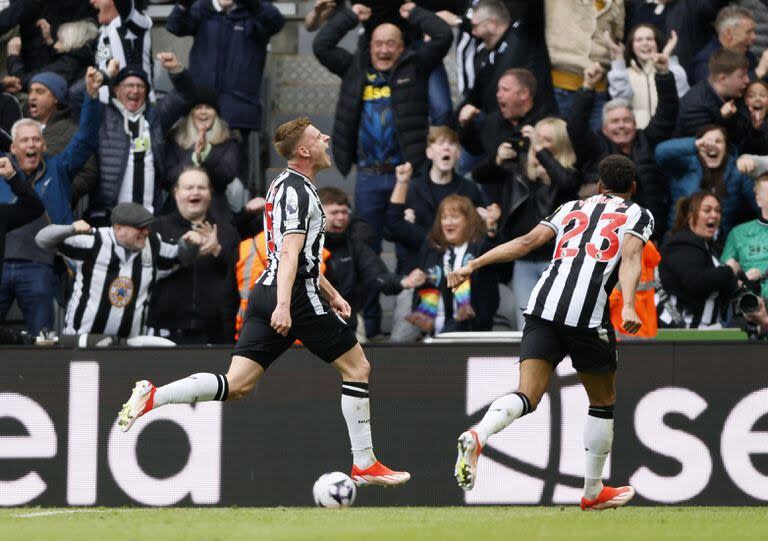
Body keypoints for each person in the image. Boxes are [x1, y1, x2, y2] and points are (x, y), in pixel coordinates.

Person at [116, 117, 411, 487]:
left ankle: (155, 397)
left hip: (266, 291)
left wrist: (331, 293)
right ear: (304, 150)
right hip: (292, 296)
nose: (327, 138)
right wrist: (287, 306)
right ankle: (364, 464)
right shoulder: (302, 192)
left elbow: (290, 255)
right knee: (357, 369)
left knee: (236, 384)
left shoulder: (281, 186)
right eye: (319, 137)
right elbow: (290, 255)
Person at [448, 154, 653, 510]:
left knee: (527, 394)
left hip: (542, 306)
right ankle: (593, 491)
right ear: (632, 189)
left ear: (600, 186)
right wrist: (631, 305)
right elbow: (632, 257)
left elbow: (526, 243)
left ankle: (478, 434)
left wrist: (474, 264)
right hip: (586, 318)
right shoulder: (638, 214)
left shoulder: (571, 206)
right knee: (602, 402)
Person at [312, 2, 452, 254]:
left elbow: (444, 36)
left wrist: (416, 13)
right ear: (370, 45)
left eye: (391, 44)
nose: (384, 50)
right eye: (378, 44)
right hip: (369, 177)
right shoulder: (354, 68)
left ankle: (408, 294)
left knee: (411, 250)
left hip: (408, 175)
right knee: (365, 248)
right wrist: (350, 16)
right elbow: (321, 46)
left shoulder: (416, 66)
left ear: (402, 47)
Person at [0, 67, 103, 336]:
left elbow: (86, 139)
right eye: (24, 140)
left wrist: (92, 97)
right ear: (13, 147)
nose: (31, 145)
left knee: (43, 339)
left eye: (36, 139)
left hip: (41, 266)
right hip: (2, 264)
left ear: (44, 146)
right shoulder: (2, 173)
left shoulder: (59, 169)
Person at [35, 202, 205, 337]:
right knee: (86, 382)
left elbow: (181, 257)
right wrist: (70, 229)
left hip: (128, 347)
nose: (145, 232)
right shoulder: (94, 240)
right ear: (118, 228)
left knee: (125, 382)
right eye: (139, 227)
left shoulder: (153, 245)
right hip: (83, 341)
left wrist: (192, 244)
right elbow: (42, 239)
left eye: (147, 226)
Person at [473, 117, 582, 328]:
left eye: (546, 140)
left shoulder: (569, 175)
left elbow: (565, 182)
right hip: (523, 260)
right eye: (536, 139)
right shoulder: (520, 170)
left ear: (560, 144)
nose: (537, 144)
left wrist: (540, 150)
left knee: (560, 322)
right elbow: (479, 175)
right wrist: (497, 158)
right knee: (527, 324)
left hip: (557, 261)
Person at [384, 126, 487, 341]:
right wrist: (401, 182)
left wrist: (490, 222)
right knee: (401, 340)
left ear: (458, 153)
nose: (446, 148)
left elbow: (479, 234)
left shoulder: (469, 189)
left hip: (462, 280)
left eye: (452, 144)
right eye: (440, 143)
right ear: (429, 152)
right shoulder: (413, 188)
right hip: (420, 277)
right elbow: (392, 228)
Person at [166, 0, 285, 180]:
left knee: (235, 177)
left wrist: (254, 4)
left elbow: (276, 23)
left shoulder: (254, 12)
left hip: (238, 113)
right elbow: (175, 26)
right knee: (194, 170)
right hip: (201, 109)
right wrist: (184, 4)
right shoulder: (203, 8)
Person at [568, 53, 678, 238]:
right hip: (603, 234)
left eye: (627, 120)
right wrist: (587, 86)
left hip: (648, 232)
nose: (621, 125)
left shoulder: (646, 140)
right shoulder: (595, 146)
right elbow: (575, 125)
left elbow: (668, 112)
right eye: (615, 121)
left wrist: (664, 74)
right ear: (604, 127)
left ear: (635, 124)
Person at [90, 52, 196, 225]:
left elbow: (186, 96)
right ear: (116, 89)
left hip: (150, 217)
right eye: (129, 85)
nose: (135, 90)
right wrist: (106, 74)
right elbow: (76, 95)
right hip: (109, 216)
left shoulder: (155, 117)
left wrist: (177, 70)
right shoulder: (103, 115)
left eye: (141, 86)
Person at [148, 167, 239, 344]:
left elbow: (236, 278)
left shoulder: (227, 231)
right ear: (176, 193)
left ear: (210, 193)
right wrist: (183, 249)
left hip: (214, 331)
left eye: (201, 187)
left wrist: (217, 250)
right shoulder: (157, 228)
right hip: (166, 329)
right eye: (188, 187)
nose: (195, 192)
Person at [393, 190, 500, 336]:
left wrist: (491, 229)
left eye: (454, 217)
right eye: (444, 217)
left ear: (468, 220)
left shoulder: (479, 246)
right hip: (431, 328)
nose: (448, 222)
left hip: (470, 327)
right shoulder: (432, 248)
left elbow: (494, 254)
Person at [319, 186, 423, 335]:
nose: (341, 217)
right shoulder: (304, 244)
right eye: (335, 213)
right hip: (310, 319)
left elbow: (376, 275)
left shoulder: (354, 245)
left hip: (348, 317)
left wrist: (403, 282)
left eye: (344, 212)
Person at [455, 0, 555, 118]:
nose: (473, 32)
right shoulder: (489, 60)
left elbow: (534, 11)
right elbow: (473, 98)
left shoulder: (523, 38)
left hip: (531, 124)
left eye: (475, 26)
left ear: (492, 23)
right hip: (498, 126)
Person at [655, 124, 758, 235]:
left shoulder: (737, 170)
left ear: (726, 148)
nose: (712, 145)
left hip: (722, 241)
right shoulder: (684, 165)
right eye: (707, 142)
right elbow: (660, 153)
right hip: (682, 238)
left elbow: (759, 204)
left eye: (718, 141)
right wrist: (695, 143)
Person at [658, 192, 739, 328]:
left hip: (706, 331)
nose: (714, 215)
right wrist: (729, 270)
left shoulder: (710, 247)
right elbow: (696, 281)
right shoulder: (682, 243)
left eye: (718, 211)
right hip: (679, 332)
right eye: (707, 210)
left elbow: (719, 284)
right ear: (691, 216)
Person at [544, 0, 625, 127]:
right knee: (563, 142)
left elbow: (617, 35)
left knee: (597, 144)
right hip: (564, 85)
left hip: (599, 89)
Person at [164, 88, 241, 219]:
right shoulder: (174, 138)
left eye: (209, 107)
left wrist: (205, 153)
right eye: (198, 107)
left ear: (216, 113)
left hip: (216, 212)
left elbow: (226, 176)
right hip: (177, 213)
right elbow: (168, 178)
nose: (203, 112)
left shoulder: (230, 139)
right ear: (190, 113)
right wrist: (194, 155)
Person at [25, 72, 99, 204]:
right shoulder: (20, 128)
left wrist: (58, 194)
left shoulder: (72, 131)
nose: (32, 97)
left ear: (56, 98)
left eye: (40, 92)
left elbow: (88, 173)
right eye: (31, 91)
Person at [624, 0, 729, 83]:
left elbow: (712, 6)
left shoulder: (691, 4)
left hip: (682, 79)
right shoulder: (635, 6)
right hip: (641, 79)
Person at [606, 25, 689, 129]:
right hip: (637, 137)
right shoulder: (624, 74)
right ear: (631, 46)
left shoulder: (669, 71)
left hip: (669, 135)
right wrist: (618, 57)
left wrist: (667, 57)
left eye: (649, 39)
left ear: (657, 44)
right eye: (639, 40)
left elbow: (682, 98)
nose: (645, 43)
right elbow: (620, 103)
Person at [677, 48, 750, 146]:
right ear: (723, 78)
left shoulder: (734, 95)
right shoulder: (696, 106)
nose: (747, 80)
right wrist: (724, 119)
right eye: (741, 76)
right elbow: (709, 148)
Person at [6, 19, 98, 88]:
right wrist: (49, 41)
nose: (56, 44)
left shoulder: (67, 65)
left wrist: (13, 55)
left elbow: (22, 81)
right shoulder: (80, 59)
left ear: (72, 43)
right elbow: (58, 59)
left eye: (61, 40)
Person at [92, 0, 153, 99]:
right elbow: (102, 65)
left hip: (137, 106)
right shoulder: (104, 31)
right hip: (107, 107)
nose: (92, 1)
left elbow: (126, 7)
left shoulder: (137, 22)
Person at [691, 5, 768, 84]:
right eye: (748, 32)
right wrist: (757, 72)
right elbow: (712, 93)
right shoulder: (706, 62)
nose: (754, 37)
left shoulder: (748, 56)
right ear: (728, 33)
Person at [721, 173, 768, 300]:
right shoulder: (738, 233)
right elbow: (724, 275)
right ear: (759, 200)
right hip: (750, 308)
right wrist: (742, 279)